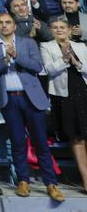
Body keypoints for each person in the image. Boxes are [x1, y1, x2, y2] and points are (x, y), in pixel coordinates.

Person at [0, 13, 65, 201]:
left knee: (41, 143)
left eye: (8, 22)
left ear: (14, 25)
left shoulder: (28, 42)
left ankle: (50, 183)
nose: (4, 26)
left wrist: (17, 56)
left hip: (31, 98)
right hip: (9, 100)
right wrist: (5, 60)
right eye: (0, 23)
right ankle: (23, 181)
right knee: (18, 142)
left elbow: (37, 66)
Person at [40, 19, 87, 191]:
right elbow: (49, 69)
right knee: (77, 138)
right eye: (55, 27)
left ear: (68, 30)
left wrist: (77, 63)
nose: (59, 30)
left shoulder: (81, 46)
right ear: (51, 30)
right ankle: (86, 180)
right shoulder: (46, 46)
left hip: (84, 91)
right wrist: (65, 59)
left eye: (62, 27)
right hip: (64, 96)